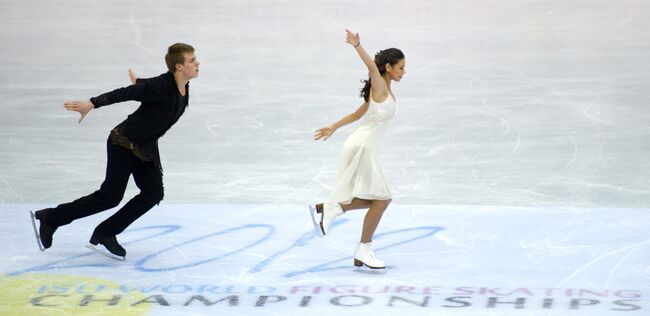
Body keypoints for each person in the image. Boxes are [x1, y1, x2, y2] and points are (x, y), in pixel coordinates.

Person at [30, 43, 200, 259]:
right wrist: (92, 103)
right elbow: (126, 93)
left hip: (145, 148)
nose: (197, 63)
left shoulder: (182, 86)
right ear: (179, 67)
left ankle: (106, 232)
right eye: (192, 60)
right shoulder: (161, 86)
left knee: (153, 193)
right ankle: (51, 218)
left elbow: (147, 89)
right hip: (123, 143)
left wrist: (141, 83)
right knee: (109, 197)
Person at [310, 30, 405, 269]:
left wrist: (333, 126)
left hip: (361, 145)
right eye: (401, 67)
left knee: (378, 199)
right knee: (383, 199)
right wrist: (358, 45)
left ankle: (332, 207)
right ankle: (364, 248)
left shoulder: (383, 91)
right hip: (362, 147)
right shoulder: (380, 86)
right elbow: (373, 69)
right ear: (388, 67)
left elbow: (357, 114)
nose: (404, 72)